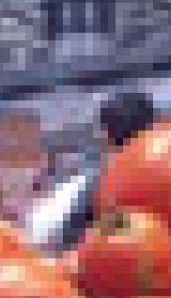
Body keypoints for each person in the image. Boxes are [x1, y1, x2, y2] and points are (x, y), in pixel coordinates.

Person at [25, 91, 156, 253]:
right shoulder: (162, 171)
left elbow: (69, 242)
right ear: (154, 128)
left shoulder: (99, 184)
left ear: (105, 135)